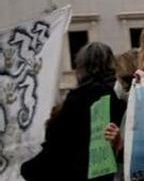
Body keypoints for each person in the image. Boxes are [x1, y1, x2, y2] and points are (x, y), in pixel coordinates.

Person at [21, 42, 124, 181]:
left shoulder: (78, 98)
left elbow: (59, 146)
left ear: (81, 67)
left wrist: (28, 169)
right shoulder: (118, 96)